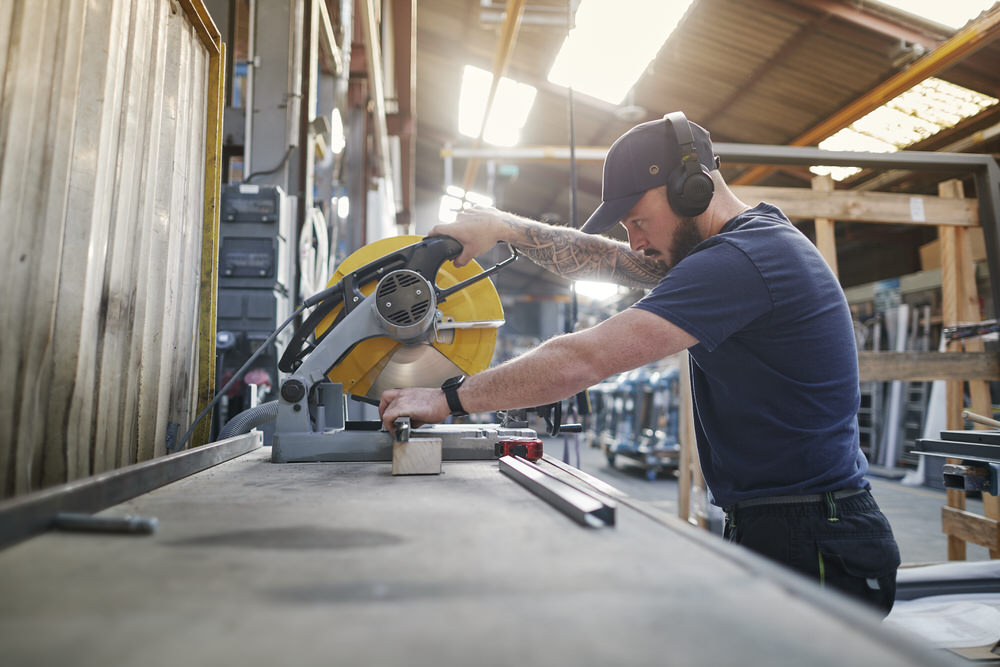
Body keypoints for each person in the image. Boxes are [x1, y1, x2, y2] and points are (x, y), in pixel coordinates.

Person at [379, 112, 900, 614]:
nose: (635, 241)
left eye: (637, 221)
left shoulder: (742, 261)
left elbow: (582, 360)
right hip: (789, 522)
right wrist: (502, 228)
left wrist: (446, 398)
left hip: (814, 534)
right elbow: (605, 259)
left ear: (691, 188)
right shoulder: (736, 249)